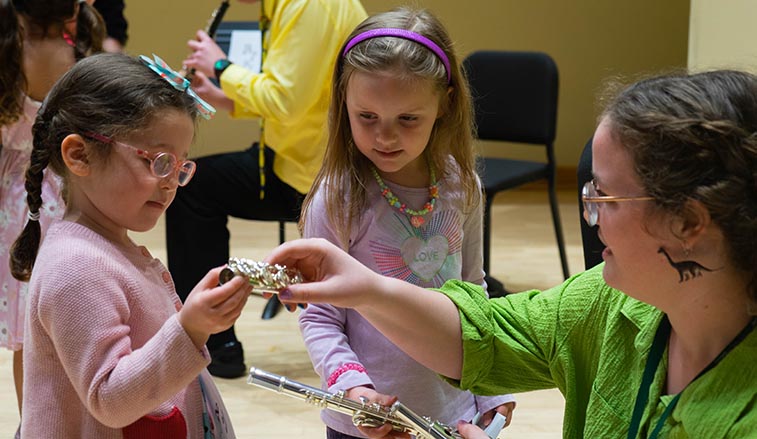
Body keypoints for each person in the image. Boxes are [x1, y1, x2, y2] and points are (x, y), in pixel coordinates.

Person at [266, 69, 757, 438]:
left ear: (689, 223)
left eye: (604, 197)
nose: (590, 215)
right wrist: (367, 288)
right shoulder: (605, 303)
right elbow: (487, 338)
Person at [295, 8, 515, 439]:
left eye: (407, 119)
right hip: (364, 423)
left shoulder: (462, 185)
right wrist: (354, 390)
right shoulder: (337, 199)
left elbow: (474, 293)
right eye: (367, 117)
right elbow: (320, 317)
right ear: (345, 104)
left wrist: (491, 385)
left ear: (445, 104)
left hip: (452, 415)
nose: (385, 137)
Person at [10, 53, 252, 438]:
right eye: (157, 162)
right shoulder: (76, 268)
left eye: (180, 165)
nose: (171, 181)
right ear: (79, 155)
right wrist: (191, 328)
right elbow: (111, 398)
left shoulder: (108, 247)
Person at [168, 0, 367, 379]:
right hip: (291, 158)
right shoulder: (287, 6)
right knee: (196, 185)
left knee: (193, 188)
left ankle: (212, 340)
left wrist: (221, 67)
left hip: (320, 175)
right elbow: (301, 99)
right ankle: (212, 337)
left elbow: (285, 101)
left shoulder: (309, 6)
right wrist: (220, 96)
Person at [0, 0, 104, 424]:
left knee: (29, 339)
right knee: (71, 329)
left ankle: (34, 427)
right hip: (71, 192)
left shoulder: (10, 53)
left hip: (15, 202)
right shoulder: (76, 52)